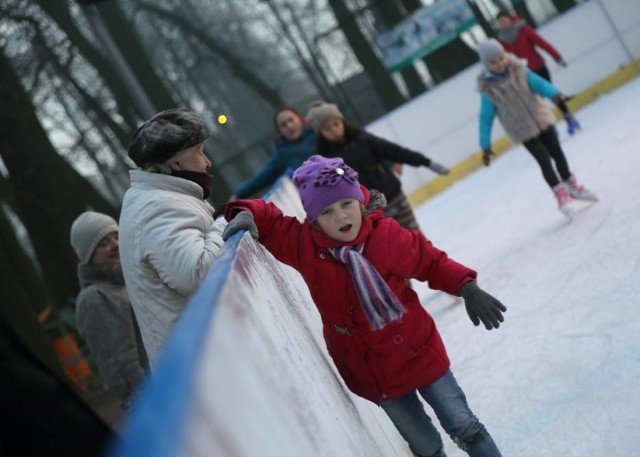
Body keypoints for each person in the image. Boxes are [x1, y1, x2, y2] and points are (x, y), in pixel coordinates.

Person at [223, 155, 507, 457]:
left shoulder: (387, 236)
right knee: (425, 446)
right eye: (327, 211)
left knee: (464, 425)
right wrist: (246, 213)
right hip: (373, 370)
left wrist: (466, 286)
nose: (341, 217)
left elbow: (431, 262)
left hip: (417, 348)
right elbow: (275, 223)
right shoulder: (307, 248)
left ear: (360, 200)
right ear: (314, 220)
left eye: (346, 204)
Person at [119, 108, 226, 369]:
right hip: (197, 366)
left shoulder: (158, 199)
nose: (207, 162)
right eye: (199, 152)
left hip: (202, 355)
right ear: (176, 164)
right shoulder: (157, 208)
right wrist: (226, 222)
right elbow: (199, 273)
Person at [476, 39, 597, 217]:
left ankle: (572, 186)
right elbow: (485, 118)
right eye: (493, 62)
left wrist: (556, 95)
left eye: (501, 58)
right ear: (486, 65)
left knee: (558, 153)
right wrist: (485, 145)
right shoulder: (489, 89)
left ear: (505, 55)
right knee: (544, 161)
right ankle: (561, 195)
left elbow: (539, 84)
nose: (500, 64)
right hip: (521, 130)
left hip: (541, 118)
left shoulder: (519, 70)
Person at [306, 100, 449, 231]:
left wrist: (427, 162)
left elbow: (394, 151)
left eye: (336, 124)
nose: (334, 131)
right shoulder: (326, 160)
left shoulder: (362, 139)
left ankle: (429, 259)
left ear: (342, 122)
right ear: (320, 133)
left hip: (394, 195)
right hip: (372, 209)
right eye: (327, 129)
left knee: (416, 237)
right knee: (397, 246)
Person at [70, 211, 149, 409]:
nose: (115, 244)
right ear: (89, 256)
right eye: (103, 243)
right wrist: (149, 401)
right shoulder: (95, 298)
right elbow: (120, 363)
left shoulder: (126, 282)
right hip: (153, 399)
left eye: (116, 236)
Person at [496, 10, 581, 135]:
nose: (503, 24)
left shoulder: (524, 30)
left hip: (539, 68)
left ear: (511, 19)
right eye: (501, 23)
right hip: (523, 74)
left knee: (551, 94)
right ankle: (549, 126)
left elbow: (542, 43)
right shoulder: (502, 41)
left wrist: (557, 57)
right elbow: (503, 61)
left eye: (505, 21)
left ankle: (569, 117)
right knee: (534, 101)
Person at [234, 107, 318, 199]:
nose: (289, 126)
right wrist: (239, 193)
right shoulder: (283, 152)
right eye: (283, 125)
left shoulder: (317, 131)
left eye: (291, 120)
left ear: (299, 118)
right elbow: (264, 176)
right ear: (280, 131)